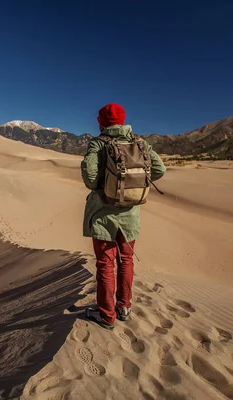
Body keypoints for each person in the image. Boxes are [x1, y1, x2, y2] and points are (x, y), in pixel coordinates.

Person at [81, 103, 166, 330]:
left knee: (105, 265)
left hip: (103, 215)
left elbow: (89, 177)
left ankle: (106, 315)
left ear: (101, 122)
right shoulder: (140, 143)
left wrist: (104, 185)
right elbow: (160, 169)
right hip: (131, 215)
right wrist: (135, 185)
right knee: (126, 261)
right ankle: (124, 307)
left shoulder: (98, 144)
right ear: (123, 121)